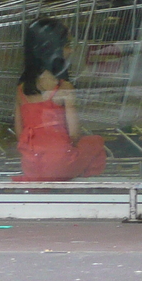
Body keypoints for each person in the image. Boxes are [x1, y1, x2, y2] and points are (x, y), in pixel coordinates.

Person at [14, 18, 107, 181]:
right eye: (67, 45)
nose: (70, 51)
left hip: (32, 167)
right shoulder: (63, 88)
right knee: (95, 143)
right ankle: (84, 178)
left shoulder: (21, 90)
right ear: (53, 49)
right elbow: (74, 134)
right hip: (60, 167)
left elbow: (19, 132)